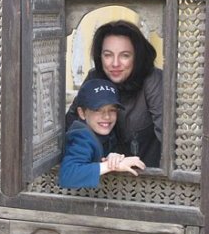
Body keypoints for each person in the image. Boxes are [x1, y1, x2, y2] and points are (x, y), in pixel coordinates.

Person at [66, 20, 163, 168]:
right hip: (102, 173)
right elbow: (73, 122)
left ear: (137, 56)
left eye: (125, 55)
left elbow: (168, 134)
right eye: (108, 55)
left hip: (147, 176)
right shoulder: (95, 77)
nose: (115, 63)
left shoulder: (152, 80)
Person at [59, 79, 145, 189]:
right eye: (98, 110)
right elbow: (68, 176)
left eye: (112, 110)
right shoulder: (82, 137)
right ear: (82, 113)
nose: (107, 116)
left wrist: (112, 157)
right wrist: (110, 166)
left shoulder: (104, 131)